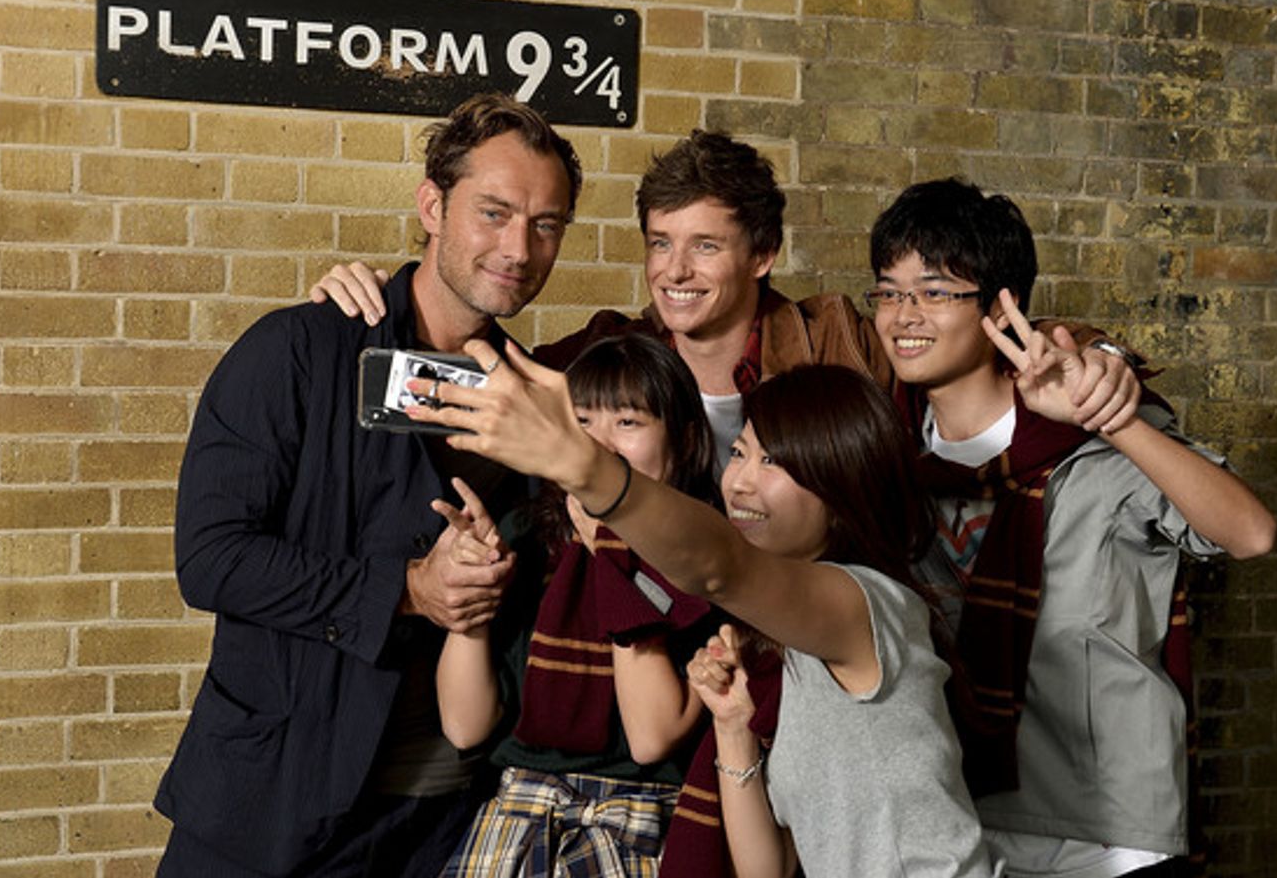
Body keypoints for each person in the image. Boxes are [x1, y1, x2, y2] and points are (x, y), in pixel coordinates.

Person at [154, 93, 582, 877]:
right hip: (271, 805)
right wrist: (410, 588)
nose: (518, 247)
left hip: (443, 817)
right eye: (493, 212)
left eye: (546, 223)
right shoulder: (302, 350)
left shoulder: (536, 400)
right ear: (433, 204)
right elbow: (210, 558)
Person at [401, 352, 998, 878]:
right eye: (740, 453)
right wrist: (735, 730)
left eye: (774, 464)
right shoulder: (774, 646)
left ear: (842, 488)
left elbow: (717, 567)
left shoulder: (866, 605)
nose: (739, 483)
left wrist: (582, 464)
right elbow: (768, 869)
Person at [866, 178, 1276, 878]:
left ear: (1002, 307)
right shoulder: (884, 453)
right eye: (889, 290)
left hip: (1109, 833)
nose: (905, 314)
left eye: (935, 291)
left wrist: (1109, 419)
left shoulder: (1093, 435)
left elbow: (1250, 532)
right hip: (953, 820)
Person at [310, 130, 1142, 467]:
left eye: (705, 246)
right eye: (661, 244)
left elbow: (979, 331)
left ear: (764, 255)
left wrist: (1101, 357)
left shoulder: (843, 337)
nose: (675, 271)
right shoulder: (612, 353)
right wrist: (376, 303)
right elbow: (465, 378)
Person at [432, 333, 720, 877]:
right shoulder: (528, 535)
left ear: (681, 440)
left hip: (635, 822)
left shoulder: (702, 553)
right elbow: (465, 728)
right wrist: (474, 591)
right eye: (583, 422)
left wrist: (610, 554)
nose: (600, 446)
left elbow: (651, 735)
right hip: (517, 812)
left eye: (628, 423)